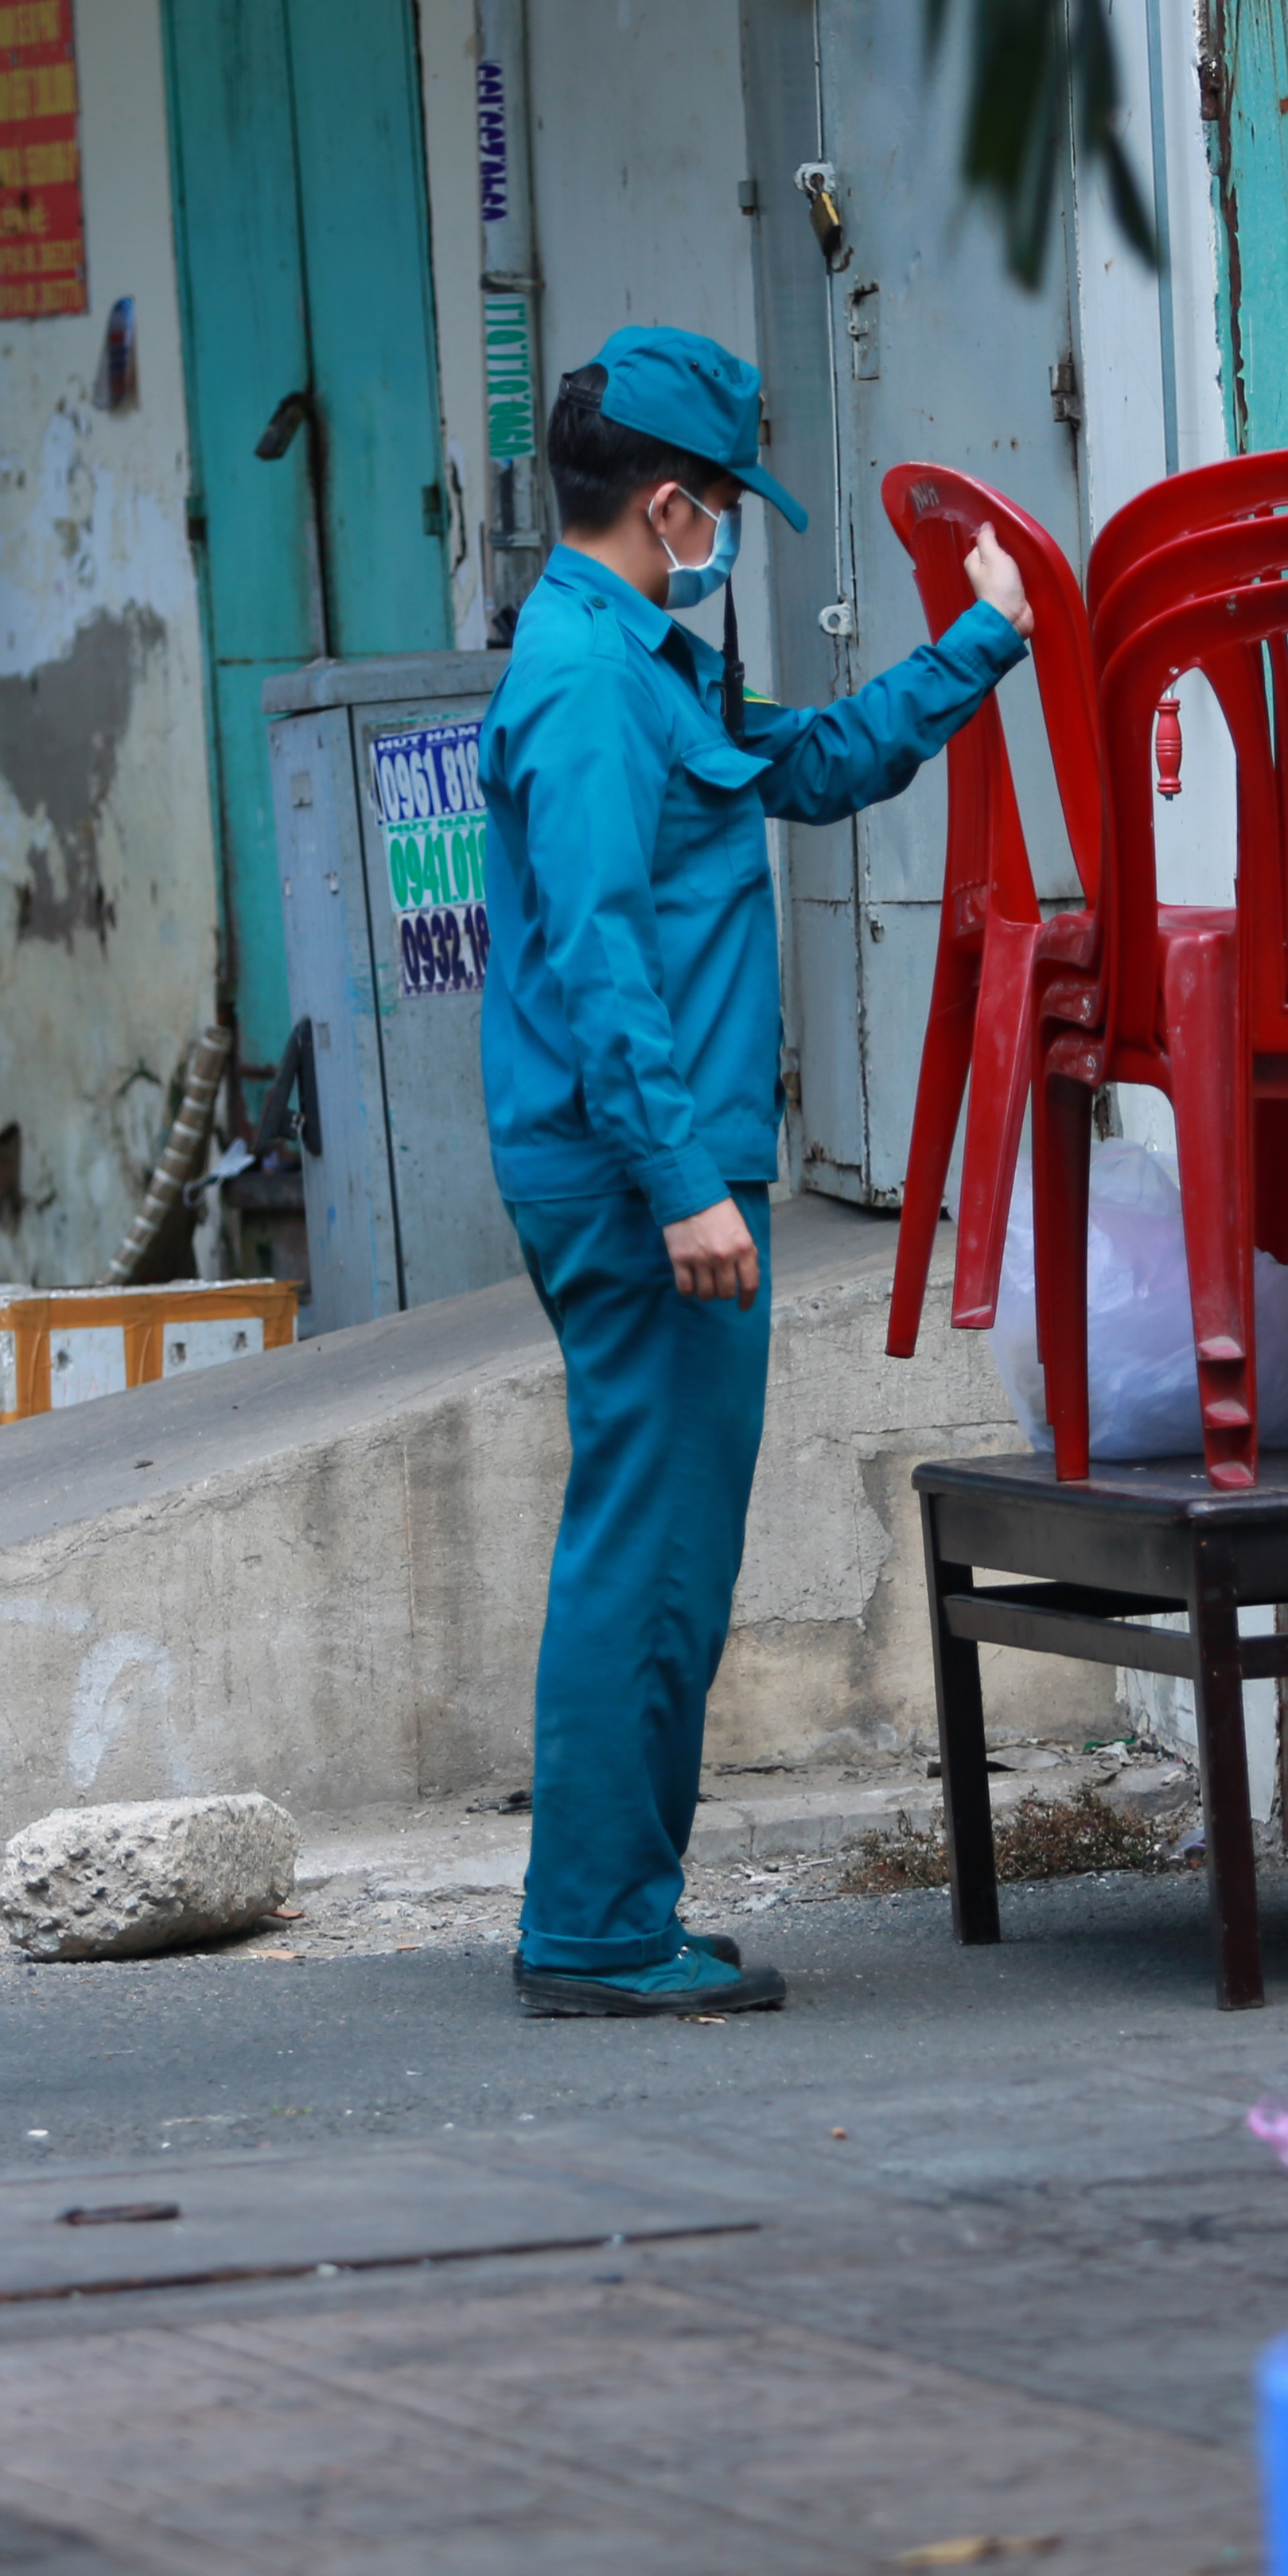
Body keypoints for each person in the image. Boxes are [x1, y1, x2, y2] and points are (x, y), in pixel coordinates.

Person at [482, 326, 1029, 2017]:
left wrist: (979, 645)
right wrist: (682, 1183)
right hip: (642, 1173)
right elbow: (594, 954)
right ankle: (591, 1931)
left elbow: (804, 767)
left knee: (661, 1544)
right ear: (669, 506)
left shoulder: (641, 661)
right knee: (646, 1549)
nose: (728, 536)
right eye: (722, 508)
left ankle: (616, 1907)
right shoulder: (583, 684)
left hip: (663, 1160)